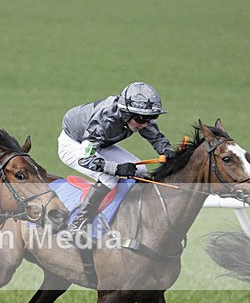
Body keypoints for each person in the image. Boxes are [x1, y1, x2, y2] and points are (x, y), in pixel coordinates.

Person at [58, 81, 177, 234]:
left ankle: (130, 213)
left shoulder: (141, 118)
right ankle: (78, 224)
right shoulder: (104, 120)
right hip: (74, 144)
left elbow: (156, 138)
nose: (145, 124)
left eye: (151, 118)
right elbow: (86, 158)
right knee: (110, 178)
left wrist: (167, 151)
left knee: (140, 169)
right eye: (141, 119)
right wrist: (117, 168)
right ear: (126, 113)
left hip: (99, 143)